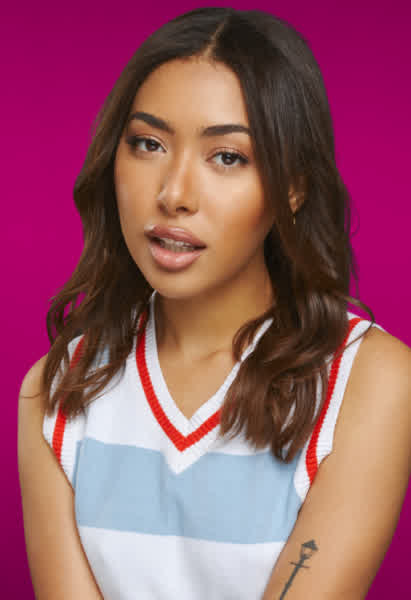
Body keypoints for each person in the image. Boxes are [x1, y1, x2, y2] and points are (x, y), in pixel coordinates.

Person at [17, 7, 411, 600]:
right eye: (148, 144)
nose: (174, 193)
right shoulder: (59, 389)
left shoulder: (368, 382)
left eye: (227, 156)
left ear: (294, 187)